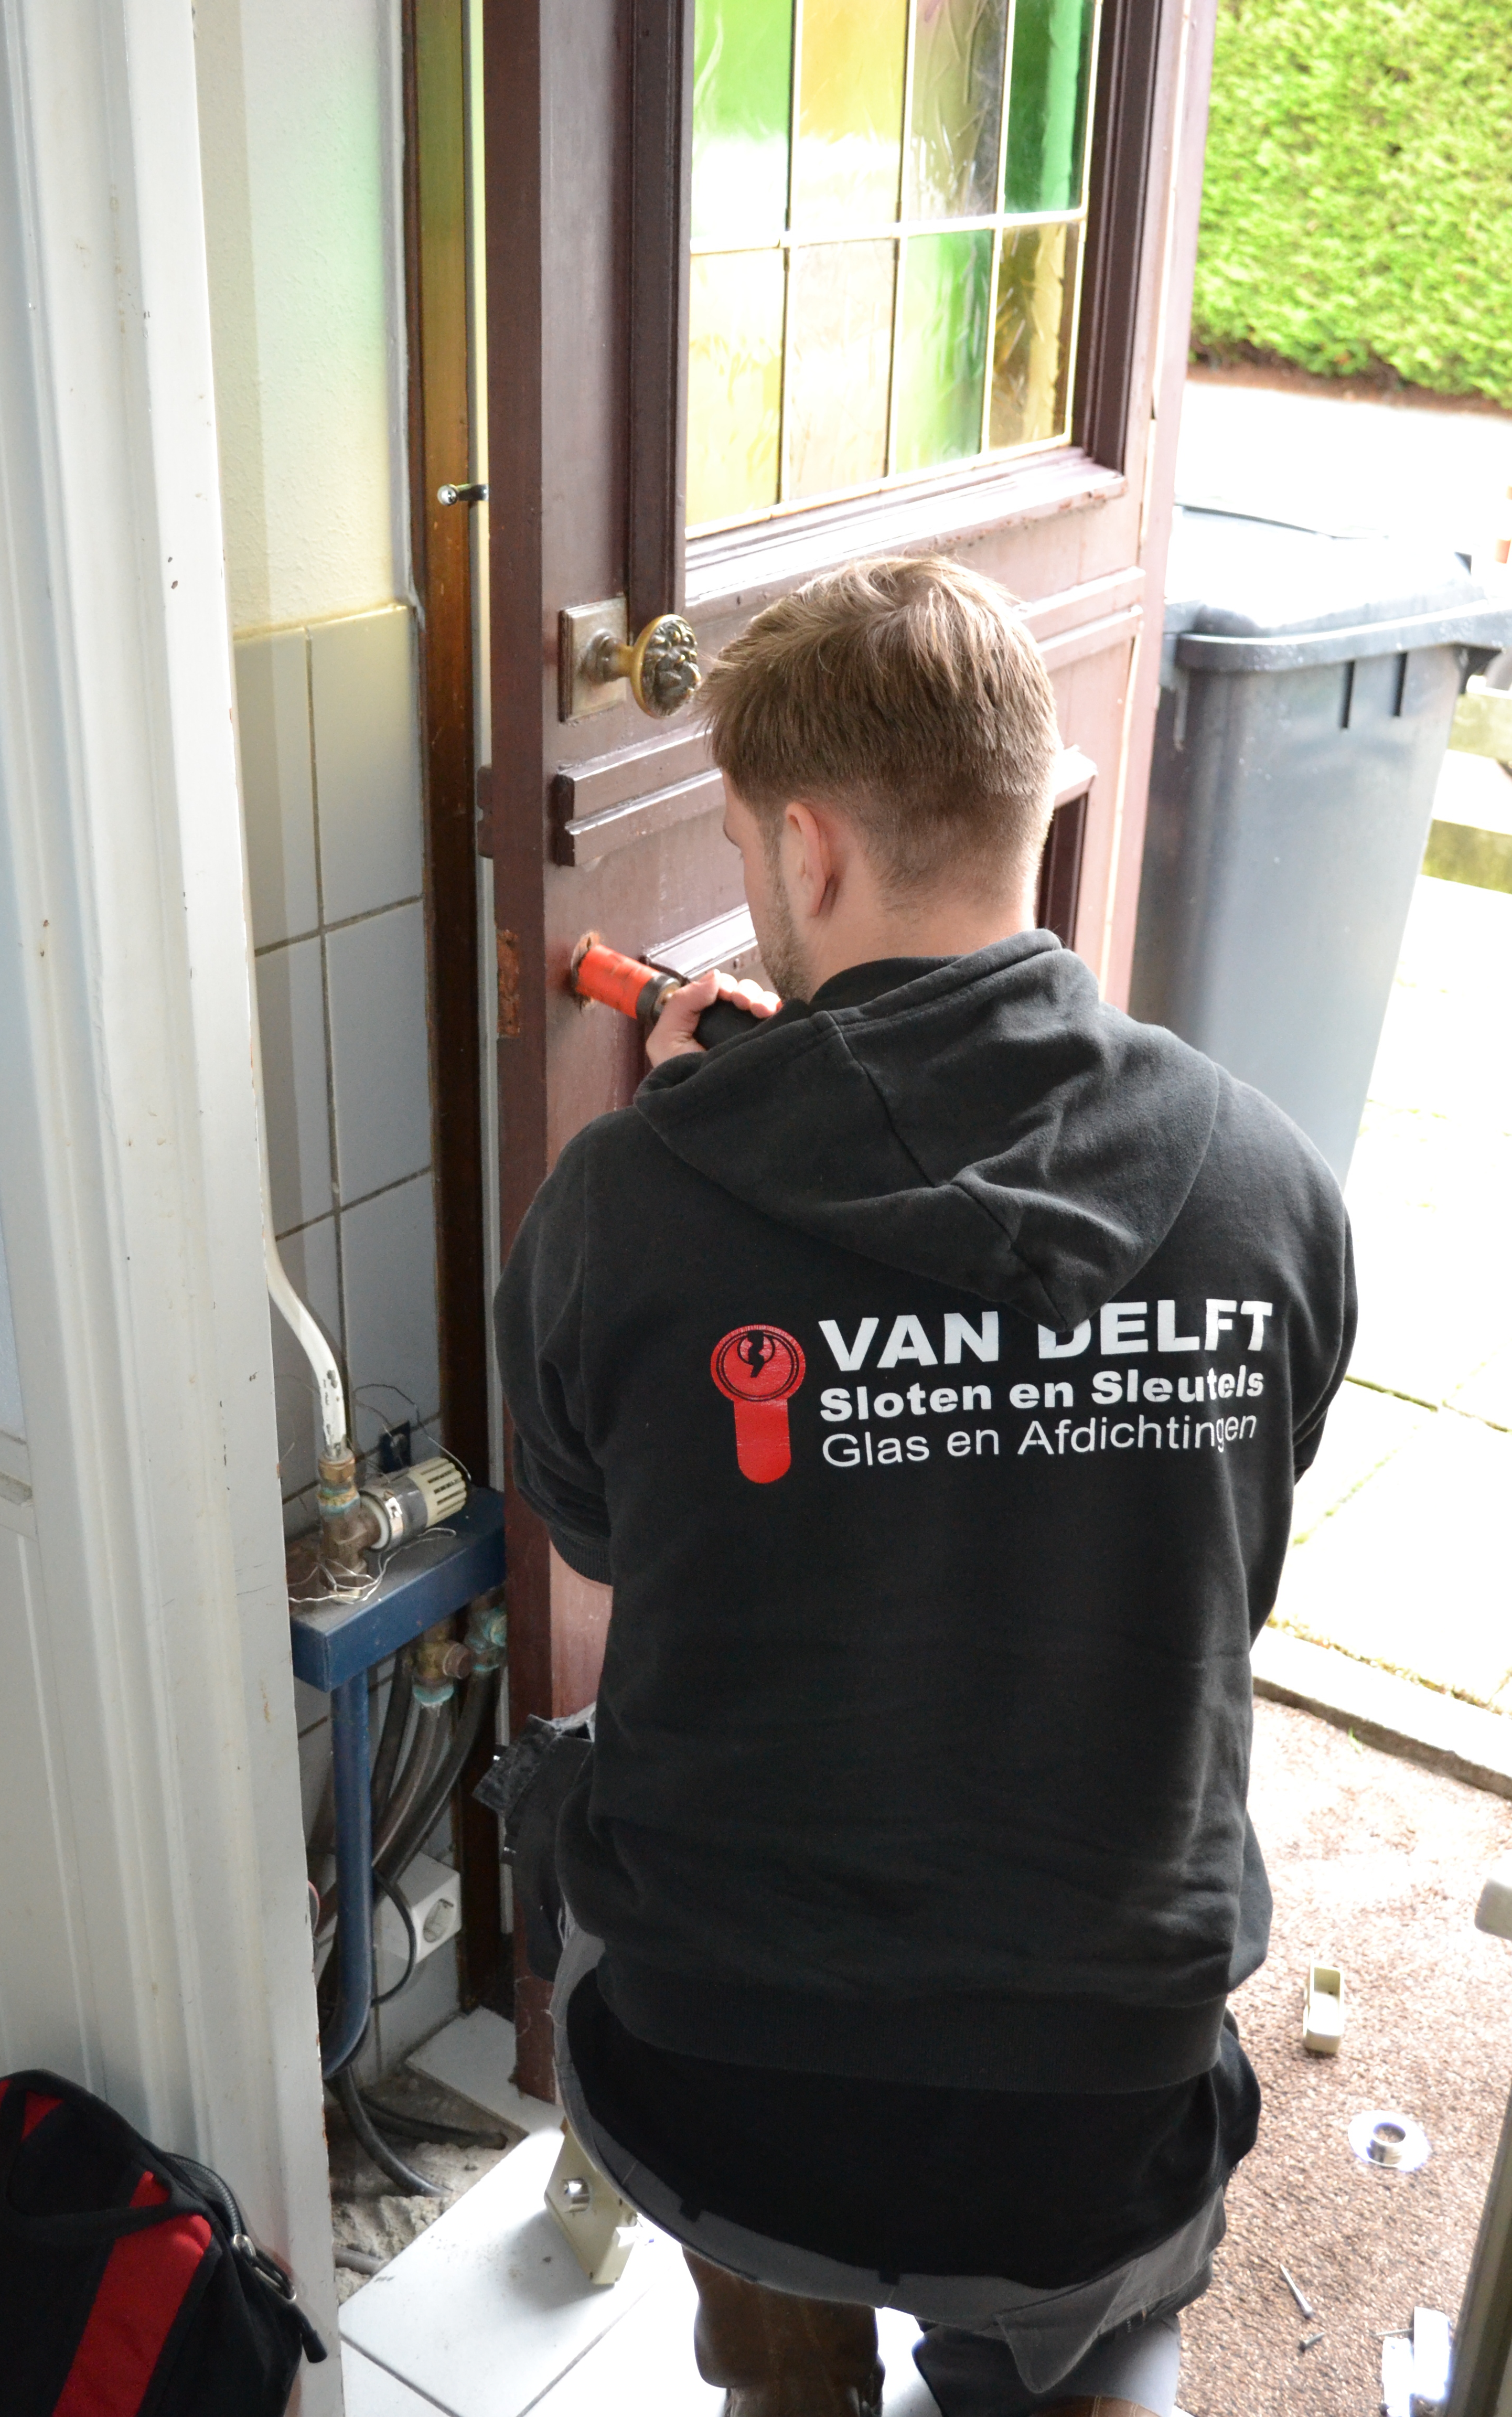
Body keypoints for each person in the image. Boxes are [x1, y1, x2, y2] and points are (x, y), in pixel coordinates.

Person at [494, 556, 1355, 2417]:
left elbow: (612, 1559)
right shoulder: (1269, 1187)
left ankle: (784, 2370)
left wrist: (695, 1168)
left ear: (805, 851)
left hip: (730, 2092)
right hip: (1093, 2121)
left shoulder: (620, 1210)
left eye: (745, 841)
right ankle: (1060, 2363)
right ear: (1030, 807)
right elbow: (1222, 1562)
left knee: (573, 1791)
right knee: (1082, 2307)